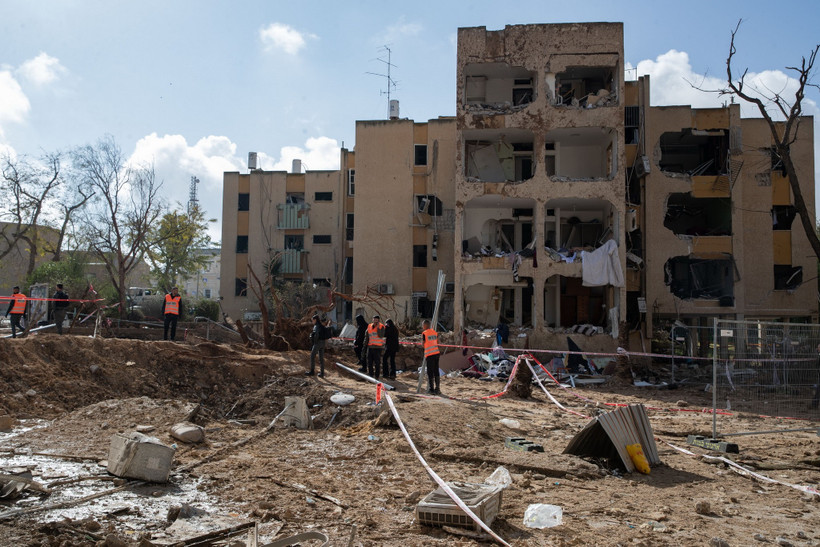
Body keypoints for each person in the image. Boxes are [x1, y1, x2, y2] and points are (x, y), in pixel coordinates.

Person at [422, 320, 441, 394]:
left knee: (430, 372)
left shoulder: (424, 333)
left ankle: (431, 389)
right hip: (436, 353)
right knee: (436, 370)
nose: (422, 327)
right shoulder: (434, 332)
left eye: (422, 325)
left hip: (430, 354)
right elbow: (438, 342)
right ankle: (437, 388)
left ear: (425, 325)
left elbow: (423, 344)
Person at [364, 314, 385, 379]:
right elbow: (367, 336)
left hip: (378, 347)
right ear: (372, 320)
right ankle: (371, 374)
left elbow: (381, 335)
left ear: (378, 320)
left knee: (377, 362)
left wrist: (378, 328)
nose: (375, 321)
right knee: (369, 362)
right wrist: (365, 344)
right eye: (374, 319)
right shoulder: (369, 326)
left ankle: (377, 375)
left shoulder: (381, 326)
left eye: (376, 319)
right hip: (370, 346)